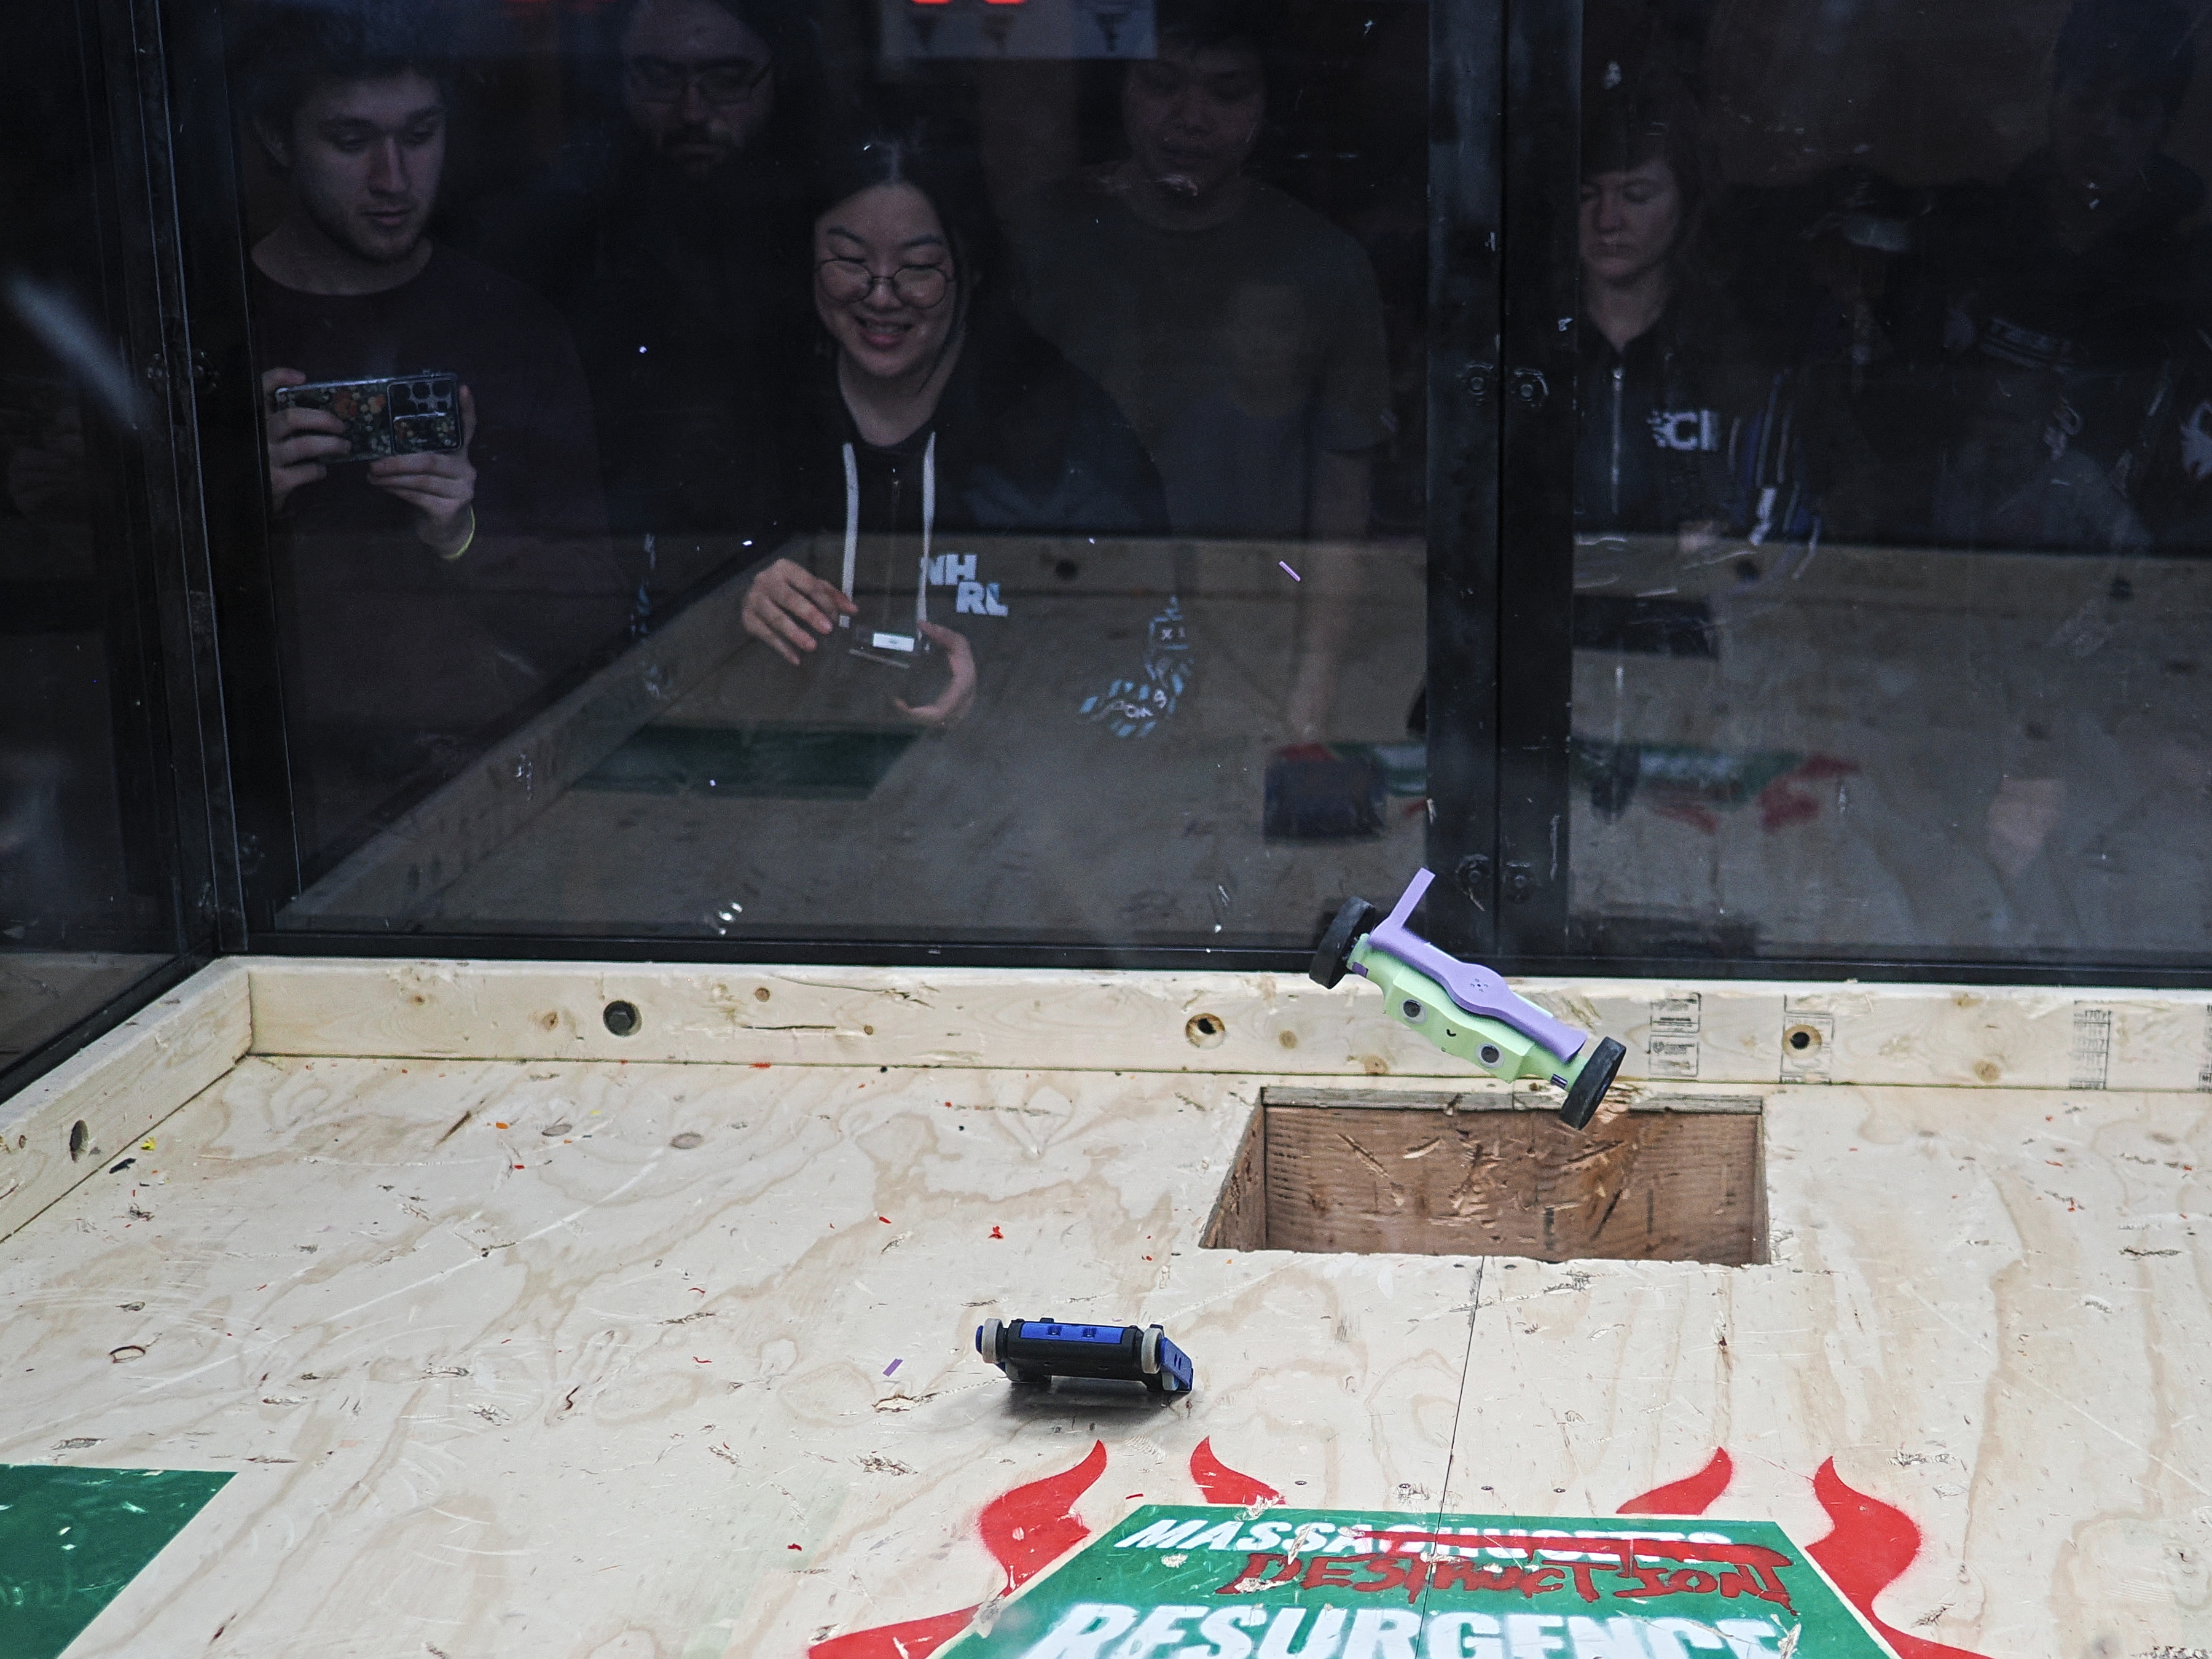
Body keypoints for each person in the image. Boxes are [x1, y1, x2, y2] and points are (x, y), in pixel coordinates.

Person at [238, 0, 622, 860]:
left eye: (420, 134)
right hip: (272, 804)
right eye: (351, 140)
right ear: (276, 138)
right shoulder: (210, 329)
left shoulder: (511, 326)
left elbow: (599, 616)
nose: (393, 178)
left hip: (489, 798)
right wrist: (230, 504)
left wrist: (464, 535)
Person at [739, 128, 1169, 730]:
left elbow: (1159, 675)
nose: (881, 296)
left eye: (918, 268)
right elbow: (653, 618)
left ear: (973, 267)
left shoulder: (1061, 428)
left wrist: (1002, 692)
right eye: (850, 262)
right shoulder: (761, 406)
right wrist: (736, 606)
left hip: (1003, 781)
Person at [461, 0, 825, 611]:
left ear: (778, 74)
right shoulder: (558, 238)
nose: (692, 111)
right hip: (613, 583)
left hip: (805, 577)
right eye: (659, 78)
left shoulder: (830, 224)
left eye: (726, 79)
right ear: (619, 78)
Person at [1886, 0, 2210, 554]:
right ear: (2053, 98)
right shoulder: (1965, 237)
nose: (2103, 128)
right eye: (2085, 100)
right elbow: (1895, 429)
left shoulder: (2185, 286)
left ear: (2164, 127)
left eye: (2132, 110)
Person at [1573, 80, 1751, 550]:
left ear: (1686, 204)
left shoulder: (1728, 353)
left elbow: (1772, 525)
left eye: (1636, 195)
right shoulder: (1529, 347)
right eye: (1587, 195)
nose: (1607, 220)